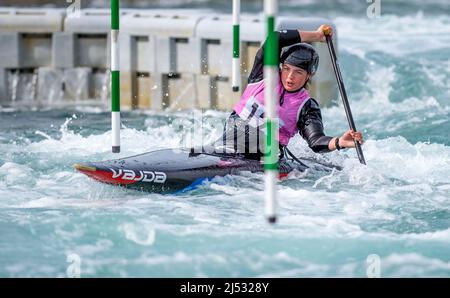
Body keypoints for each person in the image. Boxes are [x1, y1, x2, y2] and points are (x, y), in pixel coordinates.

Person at [214, 25, 363, 160]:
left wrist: (340, 142)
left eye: (298, 72)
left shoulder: (306, 106)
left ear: (309, 75)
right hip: (226, 147)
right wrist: (317, 36)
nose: (290, 76)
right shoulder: (263, 75)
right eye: (286, 69)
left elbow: (316, 141)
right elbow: (274, 39)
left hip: (262, 160)